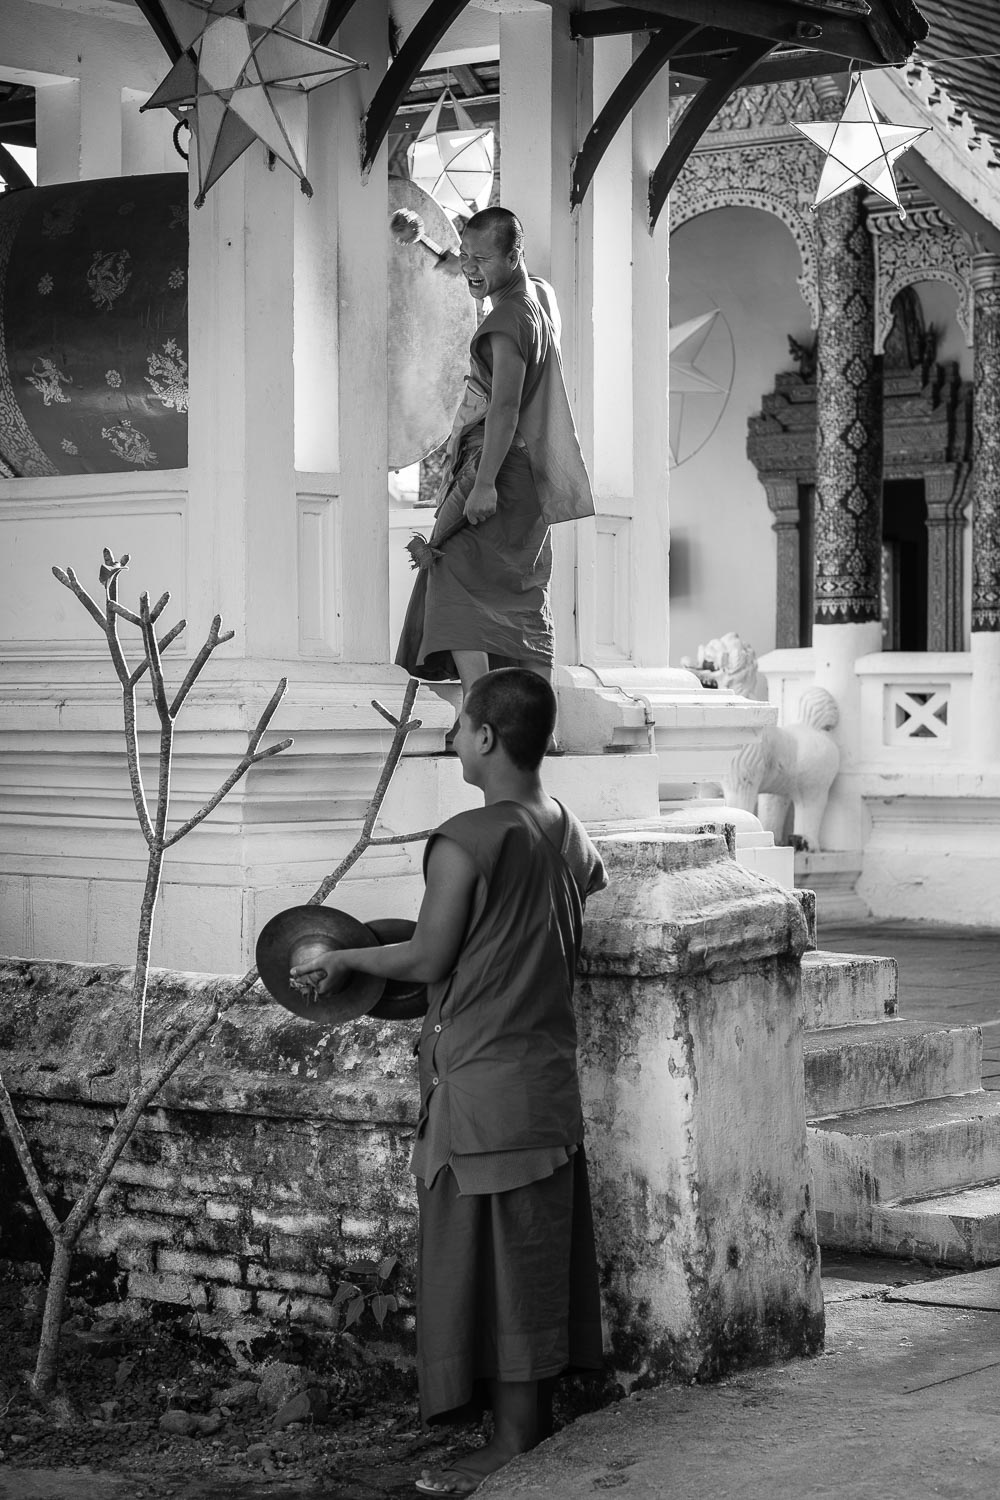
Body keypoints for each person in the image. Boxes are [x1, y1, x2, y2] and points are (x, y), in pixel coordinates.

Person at [291, 668, 607, 1496]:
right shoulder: (567, 828)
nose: (453, 737)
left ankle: (510, 1445)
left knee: (489, 1266)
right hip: (542, 1078)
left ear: (489, 738)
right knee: (531, 1260)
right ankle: (527, 1425)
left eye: (461, 726)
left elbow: (432, 957)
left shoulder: (467, 837)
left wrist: (345, 956)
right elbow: (505, 934)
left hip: (479, 1088)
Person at [395, 207, 595, 720]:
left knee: (449, 568)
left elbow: (504, 406)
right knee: (522, 589)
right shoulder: (539, 297)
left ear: (514, 255)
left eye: (482, 258)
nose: (471, 268)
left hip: (499, 467)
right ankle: (539, 728)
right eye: (467, 255)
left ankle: (478, 716)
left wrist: (482, 487)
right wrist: (431, 248)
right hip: (533, 472)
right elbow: (464, 267)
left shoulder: (506, 321)